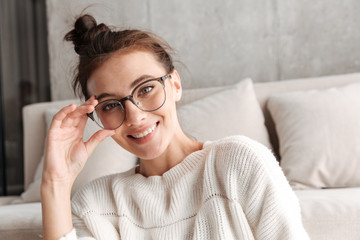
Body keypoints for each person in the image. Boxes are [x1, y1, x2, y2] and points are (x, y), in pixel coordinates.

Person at [41, 14, 309, 240]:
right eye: (111, 105)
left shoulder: (240, 163)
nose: (134, 117)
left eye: (146, 89)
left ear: (175, 85)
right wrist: (56, 183)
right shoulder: (94, 205)